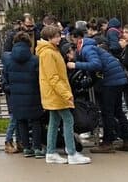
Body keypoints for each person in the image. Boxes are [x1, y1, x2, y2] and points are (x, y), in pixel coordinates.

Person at [67, 28, 128, 153]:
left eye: (69, 54)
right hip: (117, 80)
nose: (69, 57)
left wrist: (75, 65)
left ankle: (107, 143)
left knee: (107, 112)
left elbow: (96, 65)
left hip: (110, 82)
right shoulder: (91, 47)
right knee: (117, 111)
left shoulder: (86, 50)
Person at [36, 24, 91, 165]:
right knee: (68, 120)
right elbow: (53, 77)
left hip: (54, 93)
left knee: (55, 122)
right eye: (56, 36)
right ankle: (71, 153)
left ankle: (51, 151)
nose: (59, 38)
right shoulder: (49, 53)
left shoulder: (49, 51)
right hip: (57, 93)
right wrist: (66, 93)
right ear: (49, 38)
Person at [2, 32, 45, 157]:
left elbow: (4, 81)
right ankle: (37, 147)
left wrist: (11, 89)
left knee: (21, 121)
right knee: (36, 121)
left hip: (15, 96)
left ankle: (26, 148)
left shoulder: (8, 61)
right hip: (33, 95)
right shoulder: (35, 60)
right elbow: (40, 78)